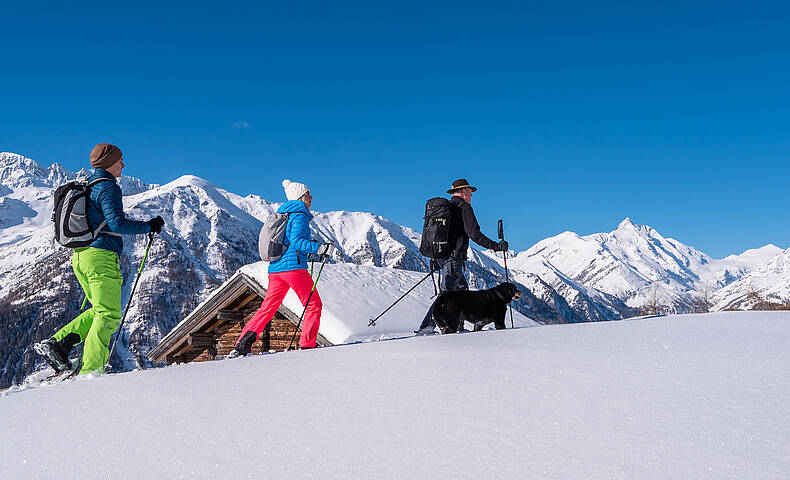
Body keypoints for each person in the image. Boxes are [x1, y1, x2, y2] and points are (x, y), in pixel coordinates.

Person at [35, 143, 164, 374]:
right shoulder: (108, 187)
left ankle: (57, 345)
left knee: (98, 309)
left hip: (81, 257)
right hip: (101, 256)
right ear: (108, 162)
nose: (123, 164)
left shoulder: (89, 186)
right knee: (108, 314)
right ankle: (91, 371)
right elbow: (117, 223)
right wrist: (149, 226)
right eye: (120, 160)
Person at [227, 179, 335, 358]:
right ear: (301, 197)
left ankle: (242, 345)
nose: (311, 198)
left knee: (268, 308)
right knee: (313, 304)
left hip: (276, 269)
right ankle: (308, 345)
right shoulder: (299, 214)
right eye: (308, 195)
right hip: (293, 269)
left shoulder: (283, 214)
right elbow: (297, 242)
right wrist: (319, 249)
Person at [416, 178, 508, 334]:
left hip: (443, 257)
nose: (471, 196)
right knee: (446, 297)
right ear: (464, 192)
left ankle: (459, 326)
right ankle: (426, 327)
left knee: (463, 293)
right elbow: (474, 234)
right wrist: (496, 246)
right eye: (470, 192)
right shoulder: (464, 208)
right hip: (454, 258)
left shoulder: (447, 208)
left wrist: (439, 258)